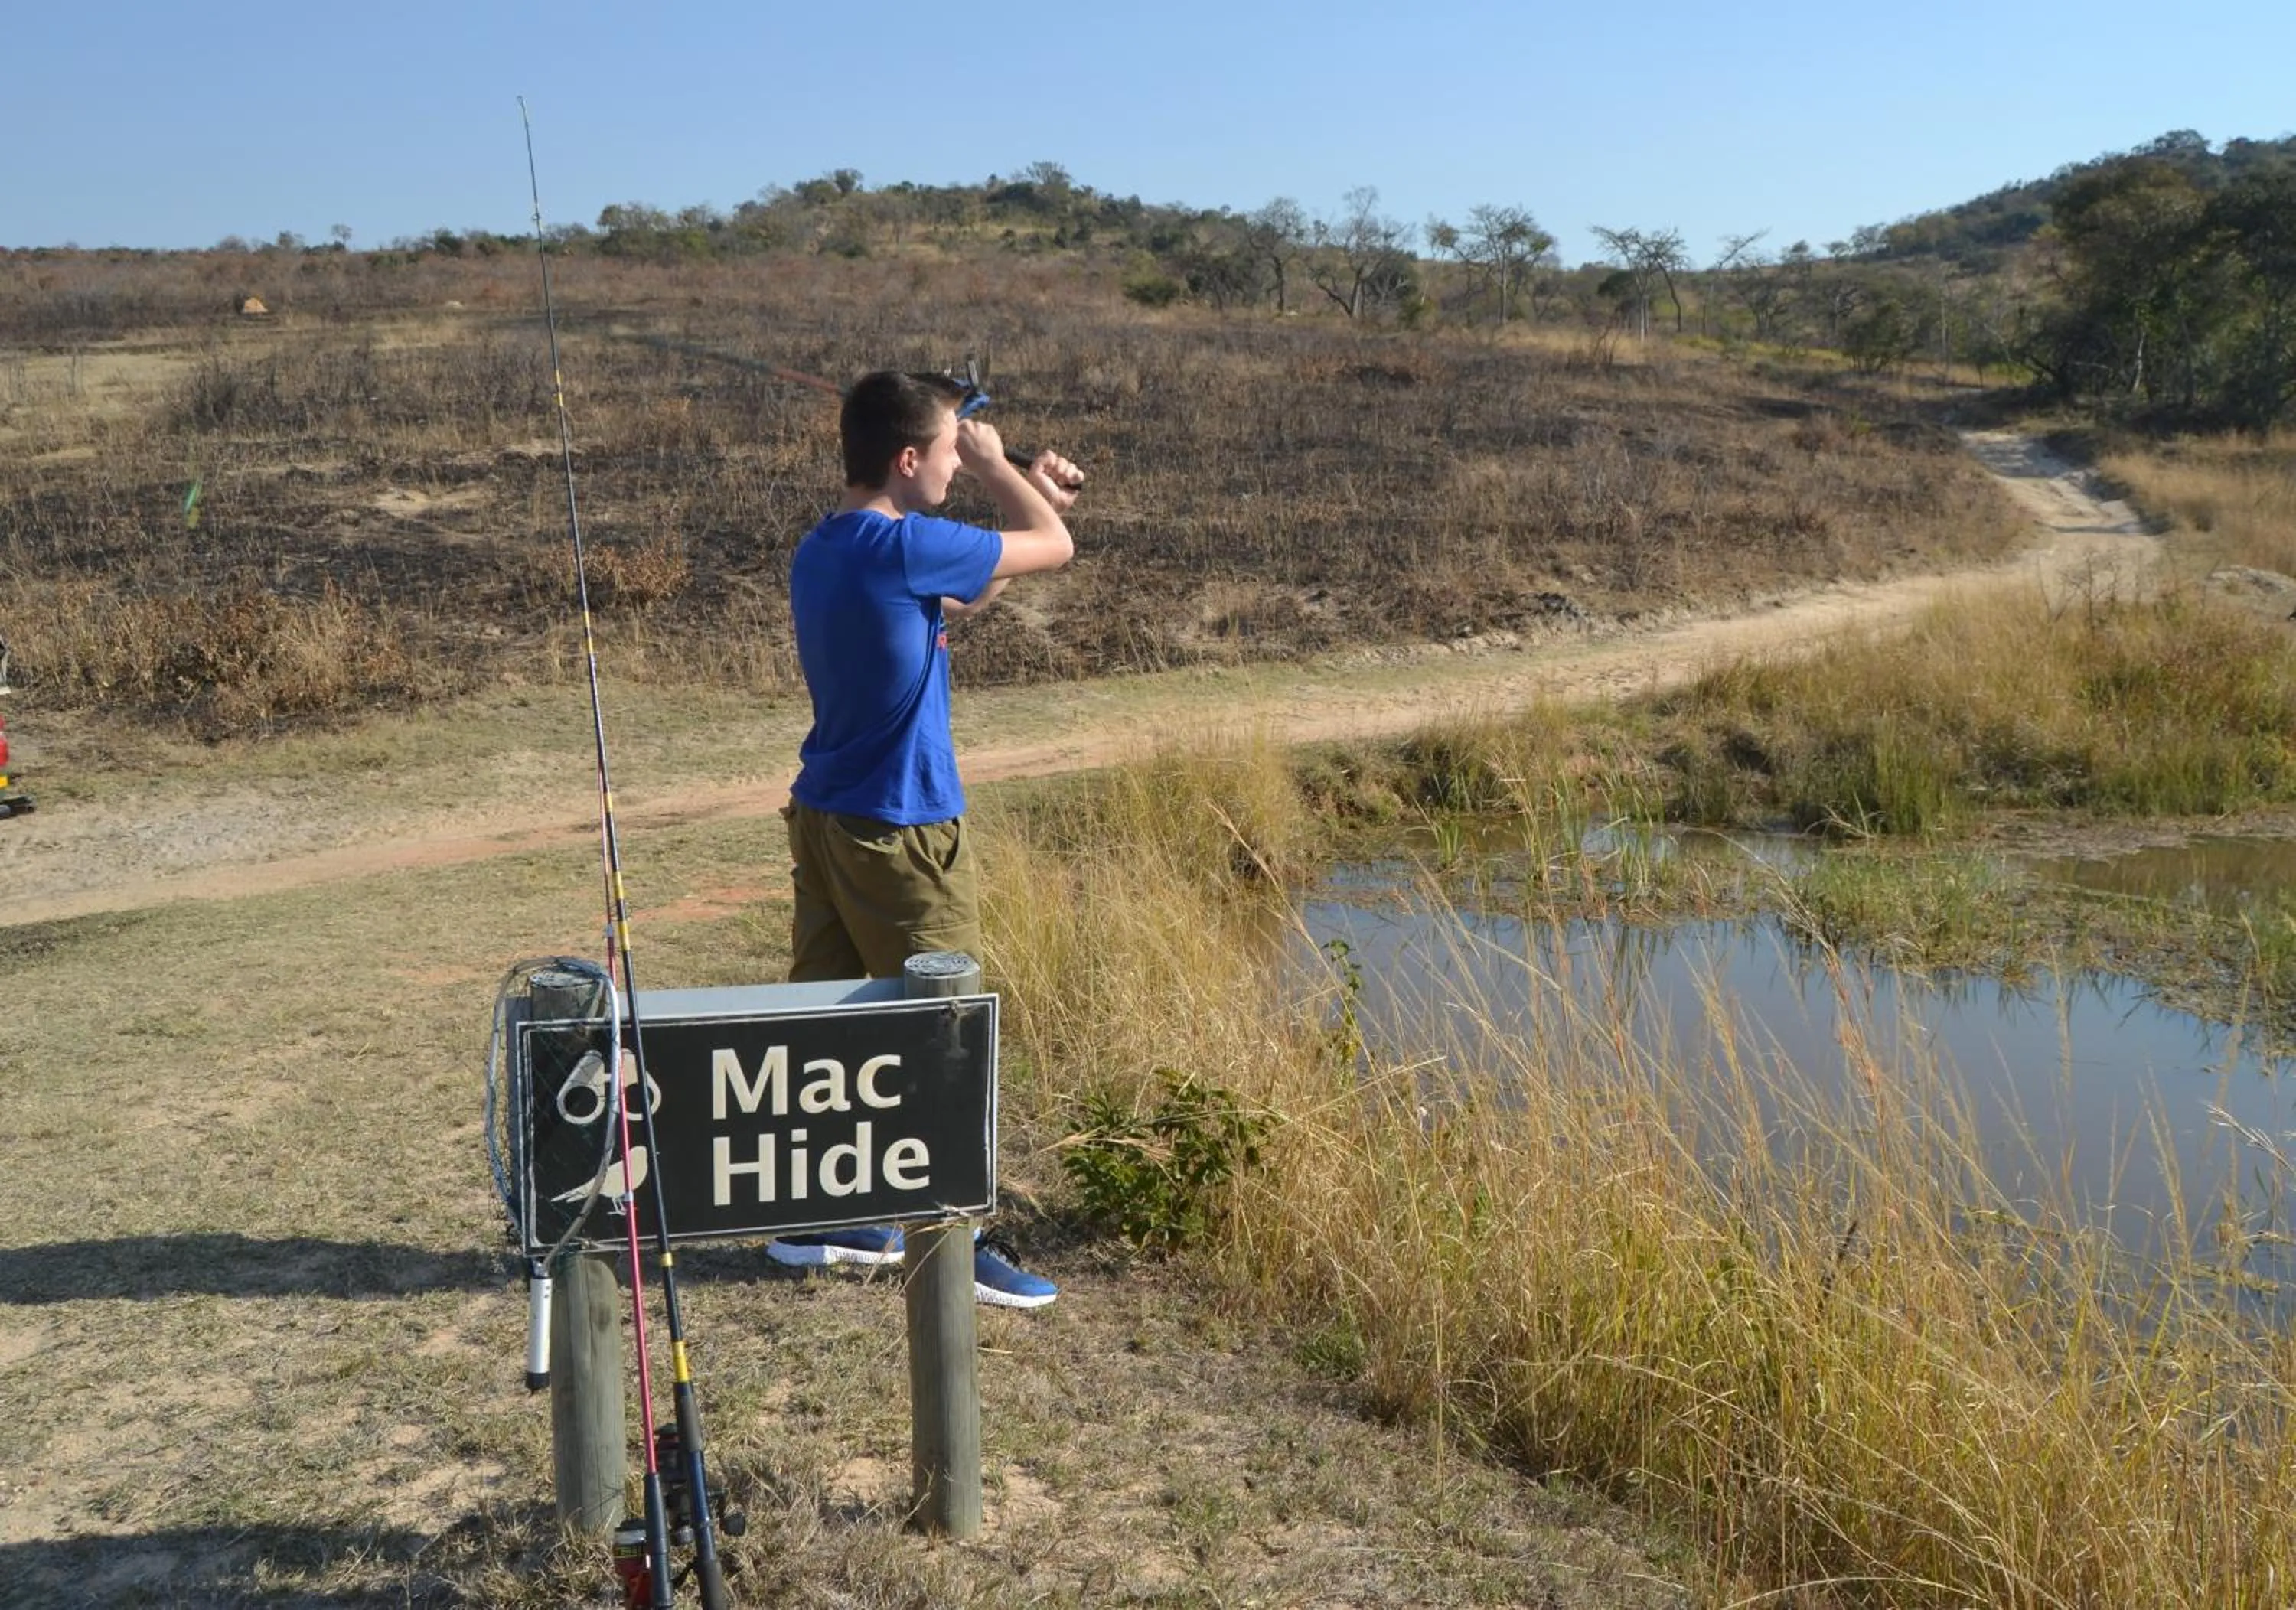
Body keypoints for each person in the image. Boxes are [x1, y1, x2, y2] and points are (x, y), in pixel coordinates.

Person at [765, 370, 1081, 1308]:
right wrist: (1002, 470)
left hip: (827, 821)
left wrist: (1025, 490)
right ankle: (949, 1237)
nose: (959, 458)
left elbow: (952, 596)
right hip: (902, 831)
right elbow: (1054, 548)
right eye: (949, 449)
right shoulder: (906, 545)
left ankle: (815, 1214)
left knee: (829, 1022)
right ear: (910, 459)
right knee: (945, 1029)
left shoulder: (828, 548)